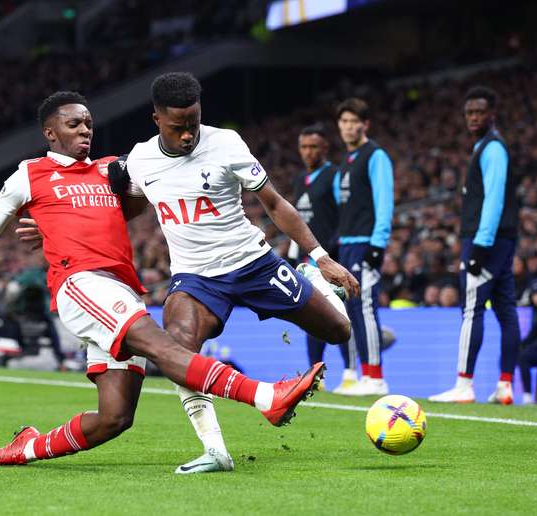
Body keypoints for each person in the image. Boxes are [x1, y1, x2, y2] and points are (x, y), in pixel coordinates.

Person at [0, 91, 328, 469]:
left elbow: (160, 187)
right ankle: (266, 397)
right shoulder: (30, 173)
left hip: (122, 290)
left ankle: (23, 449)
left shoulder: (113, 171)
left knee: (114, 418)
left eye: (88, 123)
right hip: (81, 284)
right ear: (50, 132)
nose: (85, 130)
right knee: (163, 346)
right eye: (73, 124)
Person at [107, 72, 357, 474]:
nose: (188, 135)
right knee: (178, 348)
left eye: (193, 123)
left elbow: (274, 204)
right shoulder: (139, 160)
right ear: (156, 119)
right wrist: (118, 190)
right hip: (196, 278)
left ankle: (307, 281)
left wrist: (320, 257)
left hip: (254, 263)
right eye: (178, 128)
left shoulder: (226, 143)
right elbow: (133, 207)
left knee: (339, 332)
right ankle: (215, 451)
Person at [429, 86, 521, 404]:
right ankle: (506, 386)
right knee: (506, 309)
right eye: (469, 112)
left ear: (492, 114)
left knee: (472, 308)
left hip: (487, 241)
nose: (474, 117)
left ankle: (464, 385)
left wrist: (480, 245)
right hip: (502, 240)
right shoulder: (485, 146)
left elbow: (493, 200)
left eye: (480, 112)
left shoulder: (492, 148)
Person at [288, 123, 357, 393]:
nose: (308, 152)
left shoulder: (334, 176)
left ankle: (351, 373)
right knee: (311, 315)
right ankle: (316, 375)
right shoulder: (298, 180)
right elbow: (296, 220)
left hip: (332, 257)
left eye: (314, 146)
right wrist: (295, 254)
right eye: (304, 147)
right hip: (306, 258)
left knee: (340, 314)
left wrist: (335, 250)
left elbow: (344, 213)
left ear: (325, 148)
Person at [332, 98, 394, 396]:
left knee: (366, 307)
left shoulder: (375, 156)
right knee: (352, 310)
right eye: (344, 122)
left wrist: (377, 245)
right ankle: (360, 375)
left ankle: (375, 376)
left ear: (365, 125)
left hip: (365, 244)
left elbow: (385, 201)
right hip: (346, 246)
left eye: (354, 121)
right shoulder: (345, 162)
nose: (348, 127)